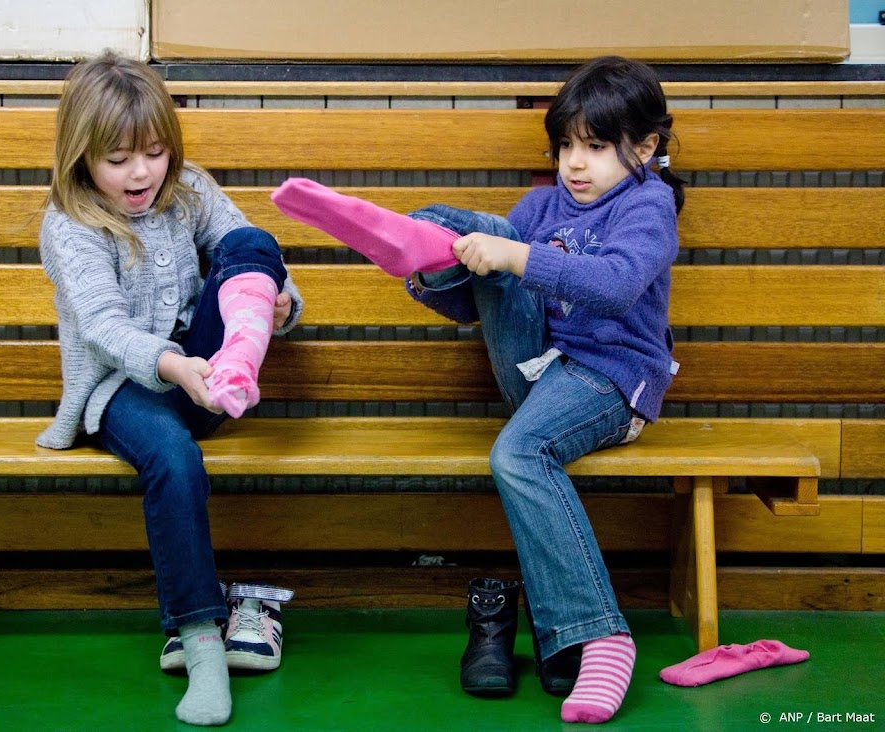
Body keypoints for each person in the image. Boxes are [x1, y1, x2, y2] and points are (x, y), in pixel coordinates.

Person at [271, 55, 685, 725]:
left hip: (612, 379)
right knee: (486, 234)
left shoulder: (647, 204)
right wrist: (445, 277)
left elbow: (612, 289)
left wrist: (513, 254)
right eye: (566, 146)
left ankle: (598, 637)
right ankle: (416, 247)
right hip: (536, 370)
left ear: (645, 146)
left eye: (597, 147)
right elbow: (480, 307)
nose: (575, 164)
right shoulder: (544, 204)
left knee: (518, 452)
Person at [37, 51, 303, 726]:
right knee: (173, 455)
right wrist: (176, 366)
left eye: (155, 152)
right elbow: (102, 328)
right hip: (120, 391)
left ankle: (246, 348)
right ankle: (200, 640)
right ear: (82, 156)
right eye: (120, 157)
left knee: (252, 243)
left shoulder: (189, 192)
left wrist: (277, 305)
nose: (143, 172)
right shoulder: (69, 225)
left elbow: (249, 250)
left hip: (208, 376)